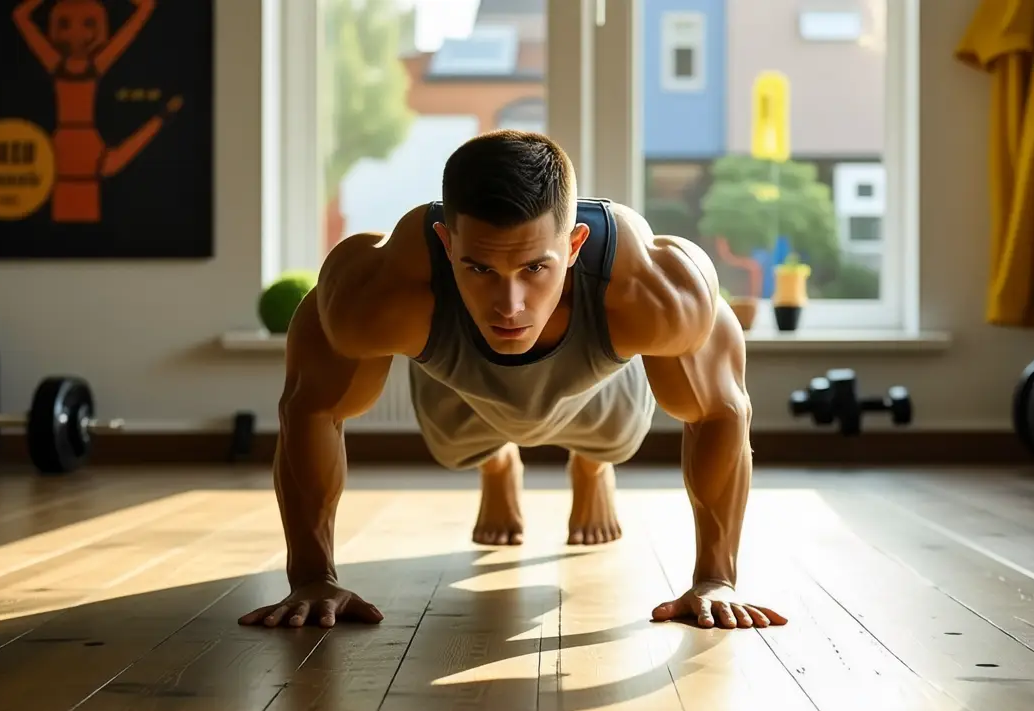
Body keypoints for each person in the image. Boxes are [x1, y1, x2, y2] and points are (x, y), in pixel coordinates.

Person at [239, 130, 786, 632]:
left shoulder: (656, 290)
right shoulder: (376, 291)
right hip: (462, 393)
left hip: (596, 394)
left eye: (533, 268)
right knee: (457, 448)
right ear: (446, 244)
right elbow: (309, 408)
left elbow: (721, 411)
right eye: (479, 268)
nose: (509, 305)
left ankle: (591, 466)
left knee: (614, 441)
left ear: (573, 246)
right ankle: (498, 463)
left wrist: (716, 578)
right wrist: (312, 576)